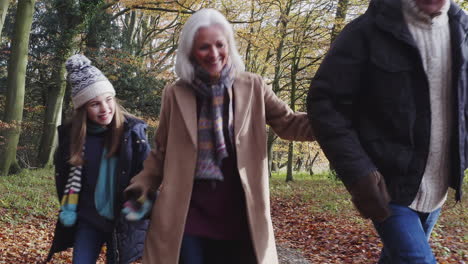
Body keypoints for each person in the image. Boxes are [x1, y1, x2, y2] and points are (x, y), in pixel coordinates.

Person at [125, 8, 315, 264]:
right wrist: (141, 186)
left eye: (219, 45)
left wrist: (336, 124)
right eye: (204, 47)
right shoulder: (175, 93)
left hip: (240, 216)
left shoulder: (253, 87)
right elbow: (162, 151)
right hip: (187, 216)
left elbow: (290, 124)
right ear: (191, 51)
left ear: (229, 46)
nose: (214, 54)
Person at [307, 0, 467, 263]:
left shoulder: (463, 30)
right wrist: (358, 171)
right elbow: (325, 105)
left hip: (437, 190)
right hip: (387, 187)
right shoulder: (366, 32)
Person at [46, 54, 151, 264]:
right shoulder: (73, 137)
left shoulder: (132, 134)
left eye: (108, 99)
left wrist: (139, 207)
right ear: (83, 108)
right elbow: (68, 179)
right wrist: (70, 208)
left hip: (123, 222)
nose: (105, 108)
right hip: (88, 220)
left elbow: (148, 176)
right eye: (95, 104)